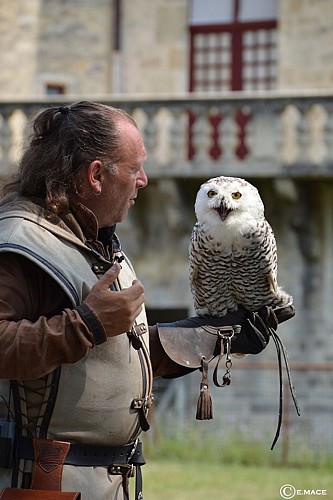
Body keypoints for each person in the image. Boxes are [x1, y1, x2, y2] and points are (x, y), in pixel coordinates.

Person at [0, 101, 294, 500]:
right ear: (97, 175)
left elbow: (108, 360)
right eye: (135, 168)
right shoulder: (21, 243)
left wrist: (212, 336)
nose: (145, 180)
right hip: (41, 484)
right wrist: (88, 323)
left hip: (105, 483)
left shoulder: (92, 241)